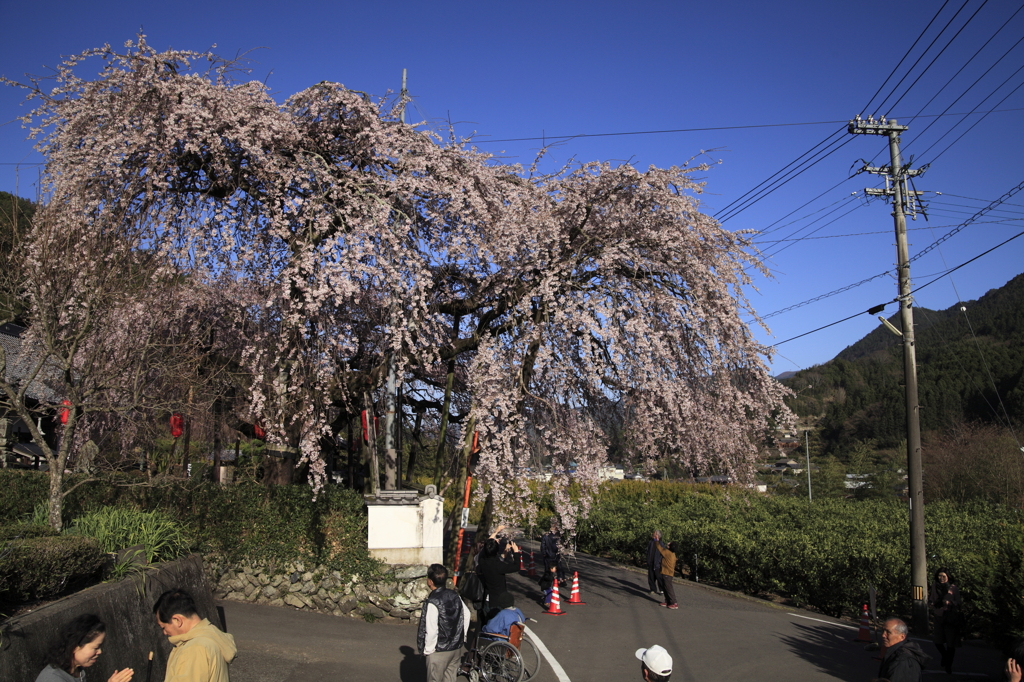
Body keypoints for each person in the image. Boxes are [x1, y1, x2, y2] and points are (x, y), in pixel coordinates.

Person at [153, 588, 236, 682]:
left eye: (163, 627)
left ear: (177, 620)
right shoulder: (212, 636)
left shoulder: (194, 649)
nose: (164, 632)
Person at [36, 614, 134, 682]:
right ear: (75, 646)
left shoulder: (77, 671)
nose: (99, 651)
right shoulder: (52, 678)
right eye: (96, 647)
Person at [417, 563, 470, 682]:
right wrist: (462, 636)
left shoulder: (433, 601)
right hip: (455, 648)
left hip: (439, 650)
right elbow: (466, 614)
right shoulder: (454, 595)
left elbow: (431, 629)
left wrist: (429, 650)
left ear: (430, 581)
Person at [477, 526, 521, 610]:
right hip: (498, 601)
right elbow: (516, 566)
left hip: (487, 597)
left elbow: (486, 547)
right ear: (497, 551)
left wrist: (496, 532)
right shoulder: (499, 566)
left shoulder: (482, 561)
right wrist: (516, 552)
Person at [930, 567, 962, 674]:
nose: (941, 578)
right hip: (938, 615)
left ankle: (948, 664)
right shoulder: (934, 586)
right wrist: (933, 603)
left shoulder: (953, 588)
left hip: (950, 616)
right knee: (938, 641)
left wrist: (951, 603)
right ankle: (944, 656)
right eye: (940, 576)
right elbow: (932, 598)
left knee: (950, 642)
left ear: (948, 577)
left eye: (944, 576)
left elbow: (958, 602)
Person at [878, 617, 928, 682]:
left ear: (902, 637)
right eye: (882, 631)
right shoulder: (896, 653)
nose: (883, 635)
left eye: (888, 632)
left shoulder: (902, 660)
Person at [655, 540, 679, 609]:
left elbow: (659, 548)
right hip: (666, 573)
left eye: (669, 544)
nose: (667, 544)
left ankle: (674, 602)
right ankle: (668, 601)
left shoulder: (667, 553)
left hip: (667, 573)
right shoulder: (672, 553)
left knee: (668, 588)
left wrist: (656, 540)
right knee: (665, 588)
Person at [646, 530, 664, 596]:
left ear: (657, 535)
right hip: (651, 562)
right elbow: (647, 551)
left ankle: (662, 590)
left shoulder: (661, 544)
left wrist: (659, 562)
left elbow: (663, 554)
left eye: (654, 534)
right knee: (651, 577)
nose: (652, 535)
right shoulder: (651, 542)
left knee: (659, 577)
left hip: (657, 564)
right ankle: (652, 589)